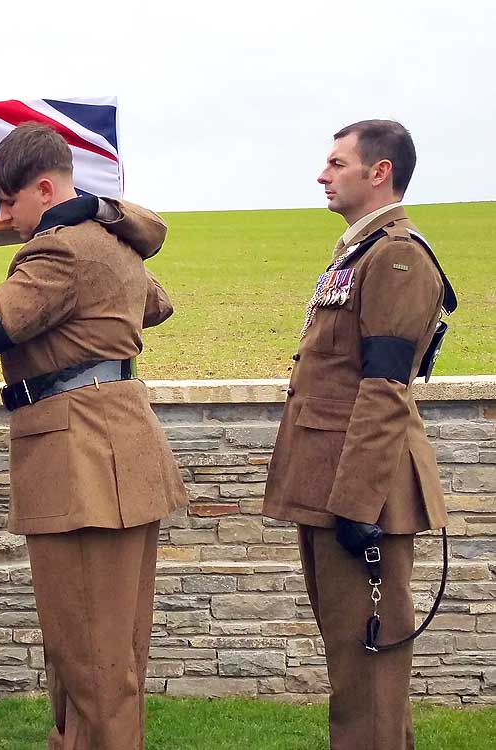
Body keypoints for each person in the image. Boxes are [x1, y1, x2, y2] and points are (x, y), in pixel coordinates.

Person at [0, 123, 187, 750]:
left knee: (95, 669)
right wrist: (106, 215)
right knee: (97, 660)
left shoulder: (60, 250)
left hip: (84, 458)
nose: (4, 214)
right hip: (114, 450)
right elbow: (157, 303)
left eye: (11, 200)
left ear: (45, 189)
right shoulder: (110, 241)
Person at [263, 120, 453, 750]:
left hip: (362, 497)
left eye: (336, 163)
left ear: (380, 173)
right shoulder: (359, 252)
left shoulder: (396, 256)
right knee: (358, 674)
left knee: (365, 683)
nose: (322, 174)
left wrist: (355, 504)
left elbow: (383, 390)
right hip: (334, 488)